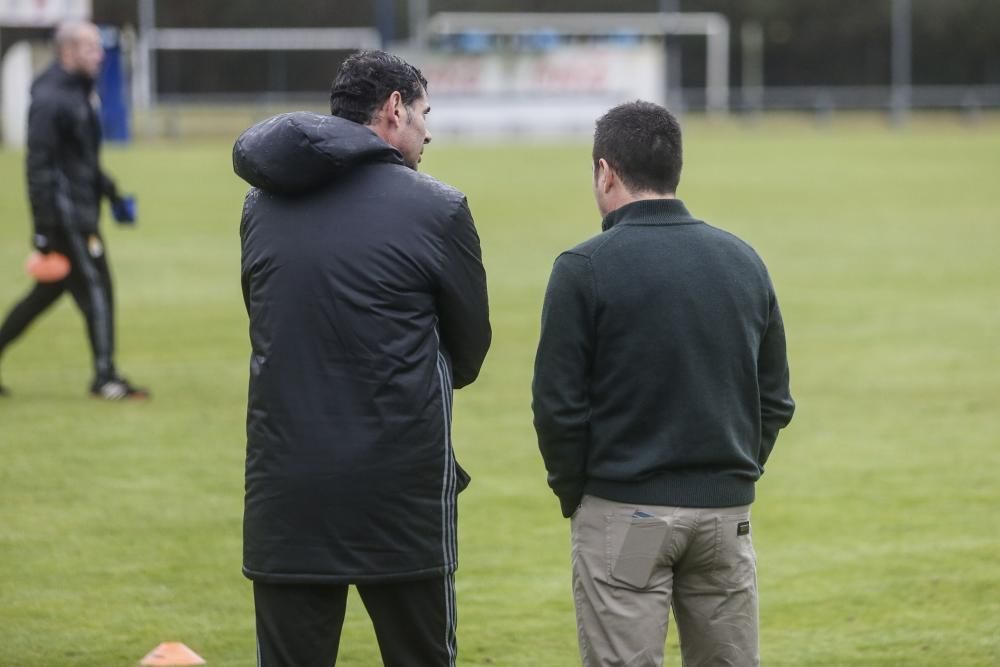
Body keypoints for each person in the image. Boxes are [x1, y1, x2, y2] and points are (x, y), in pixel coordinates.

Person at [234, 50, 491, 667]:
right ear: (395, 108)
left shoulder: (259, 206)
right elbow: (470, 349)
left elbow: (265, 318)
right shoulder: (440, 208)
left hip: (287, 490)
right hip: (400, 494)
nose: (430, 131)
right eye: (426, 112)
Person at [532, 101, 795, 667]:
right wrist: (733, 470)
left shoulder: (584, 267)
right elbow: (775, 398)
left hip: (629, 516)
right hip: (725, 520)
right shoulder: (744, 260)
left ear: (605, 171)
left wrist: (574, 491)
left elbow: (557, 407)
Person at [0, 21, 146, 400]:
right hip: (66, 217)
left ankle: (105, 373)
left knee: (44, 295)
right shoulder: (50, 99)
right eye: (90, 49)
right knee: (98, 287)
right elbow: (39, 167)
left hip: (81, 208)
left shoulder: (78, 92)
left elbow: (80, 160)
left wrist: (111, 193)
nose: (99, 55)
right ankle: (105, 377)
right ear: (67, 52)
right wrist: (44, 228)